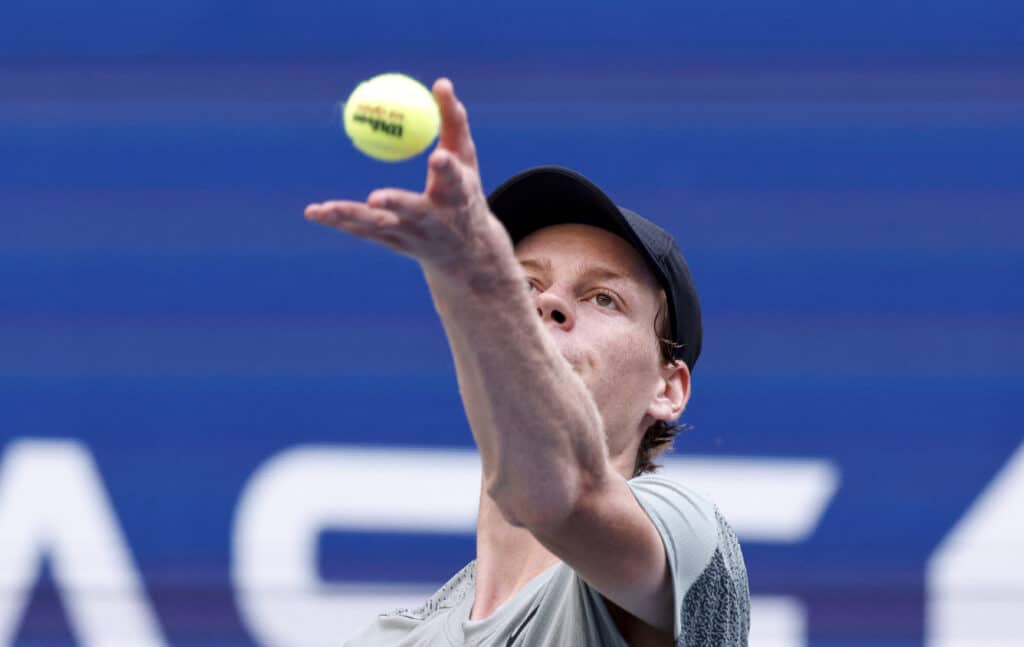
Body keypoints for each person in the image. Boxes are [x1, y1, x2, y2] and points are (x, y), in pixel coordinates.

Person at [305, 78, 749, 647]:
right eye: (525, 284)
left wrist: (475, 291)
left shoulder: (686, 533)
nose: (548, 301)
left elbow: (557, 495)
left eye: (602, 297)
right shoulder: (387, 638)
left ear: (669, 388)